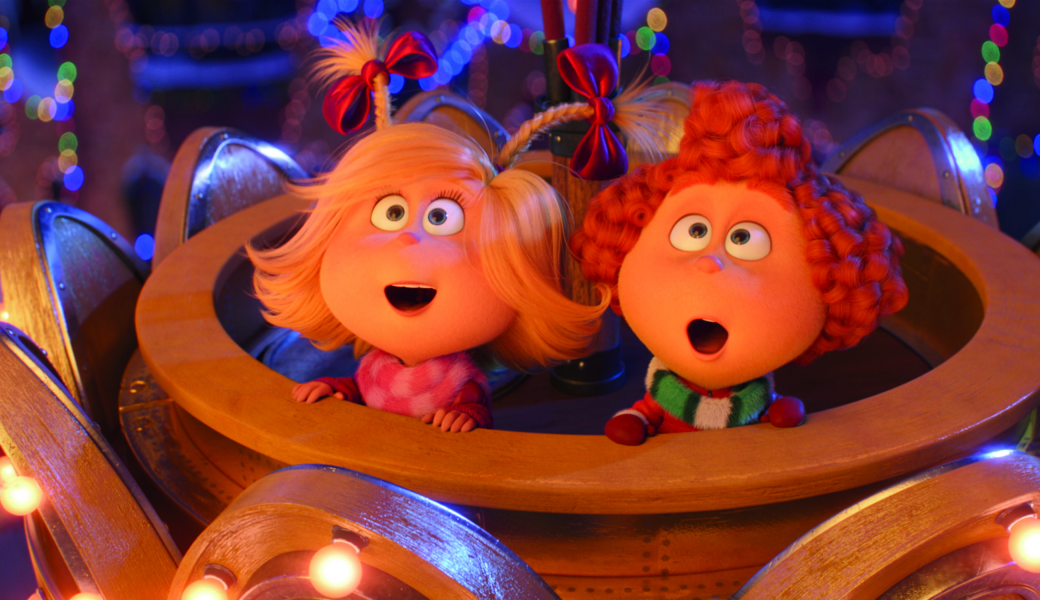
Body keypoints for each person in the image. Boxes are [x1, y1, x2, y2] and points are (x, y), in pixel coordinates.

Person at [251, 22, 681, 432]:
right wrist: (338, 390)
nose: (408, 239)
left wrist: (468, 412)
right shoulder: (373, 365)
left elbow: (474, 406)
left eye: (441, 218)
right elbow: (364, 390)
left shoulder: (459, 376)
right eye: (391, 214)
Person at [573, 80, 910, 445]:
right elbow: (649, 411)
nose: (710, 262)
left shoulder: (755, 396)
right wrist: (639, 418)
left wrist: (774, 409)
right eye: (694, 231)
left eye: (744, 239)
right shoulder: (664, 391)